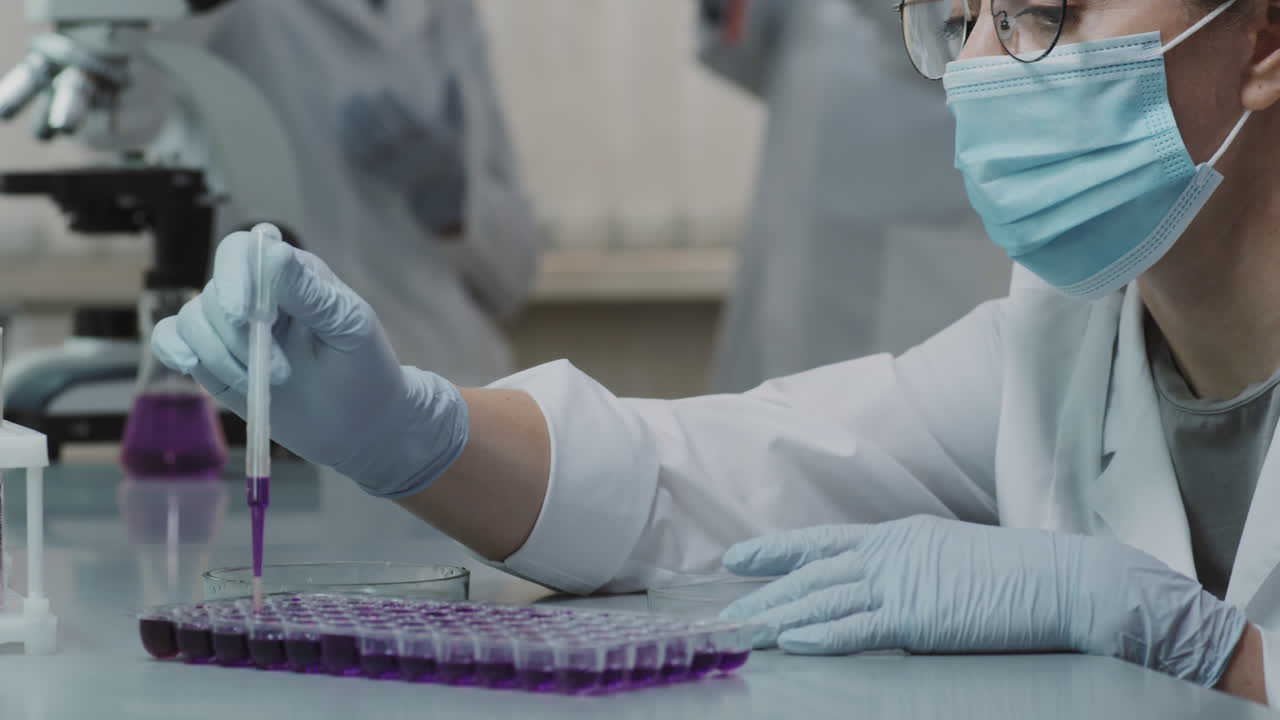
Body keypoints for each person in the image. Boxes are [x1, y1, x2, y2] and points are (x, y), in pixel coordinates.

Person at [155, 0, 1280, 705]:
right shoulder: (1053, 342)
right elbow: (706, 474)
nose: (980, 62)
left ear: (1261, 39)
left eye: (1041, 11)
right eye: (965, 16)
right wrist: (411, 434)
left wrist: (1213, 654)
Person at [113, 0, 543, 385]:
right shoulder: (243, 13)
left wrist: (458, 208)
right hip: (284, 388)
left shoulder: (451, 11)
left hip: (459, 381)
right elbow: (120, 119)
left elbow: (515, 275)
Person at [697, 0, 1010, 392]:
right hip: (797, 197)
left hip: (917, 211)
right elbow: (738, 50)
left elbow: (970, 40)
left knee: (901, 415)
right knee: (777, 411)